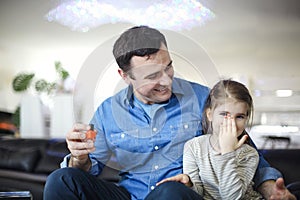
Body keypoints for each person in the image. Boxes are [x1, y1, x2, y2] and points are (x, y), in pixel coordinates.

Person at [44, 26, 295, 200]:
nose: (166, 80)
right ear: (125, 77)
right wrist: (78, 158)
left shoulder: (203, 98)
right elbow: (91, 168)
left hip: (181, 194)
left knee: (168, 194)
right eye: (153, 75)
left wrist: (272, 190)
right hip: (130, 194)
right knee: (61, 179)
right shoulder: (108, 112)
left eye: (169, 67)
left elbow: (245, 151)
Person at [157, 79, 263, 199]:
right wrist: (189, 184)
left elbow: (232, 197)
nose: (231, 123)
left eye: (239, 116)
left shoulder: (248, 154)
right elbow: (198, 194)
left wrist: (227, 152)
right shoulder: (194, 147)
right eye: (224, 114)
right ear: (210, 114)